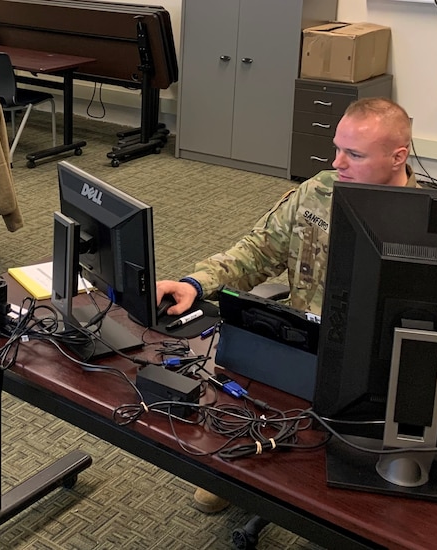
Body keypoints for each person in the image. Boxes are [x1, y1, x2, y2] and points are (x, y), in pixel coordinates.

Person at [156, 97, 418, 513]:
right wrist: (196, 283)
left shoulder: (428, 223)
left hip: (378, 362)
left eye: (354, 154)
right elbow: (258, 251)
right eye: (337, 149)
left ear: (397, 156)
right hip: (302, 341)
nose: (338, 163)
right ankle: (242, 466)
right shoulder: (318, 192)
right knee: (230, 369)